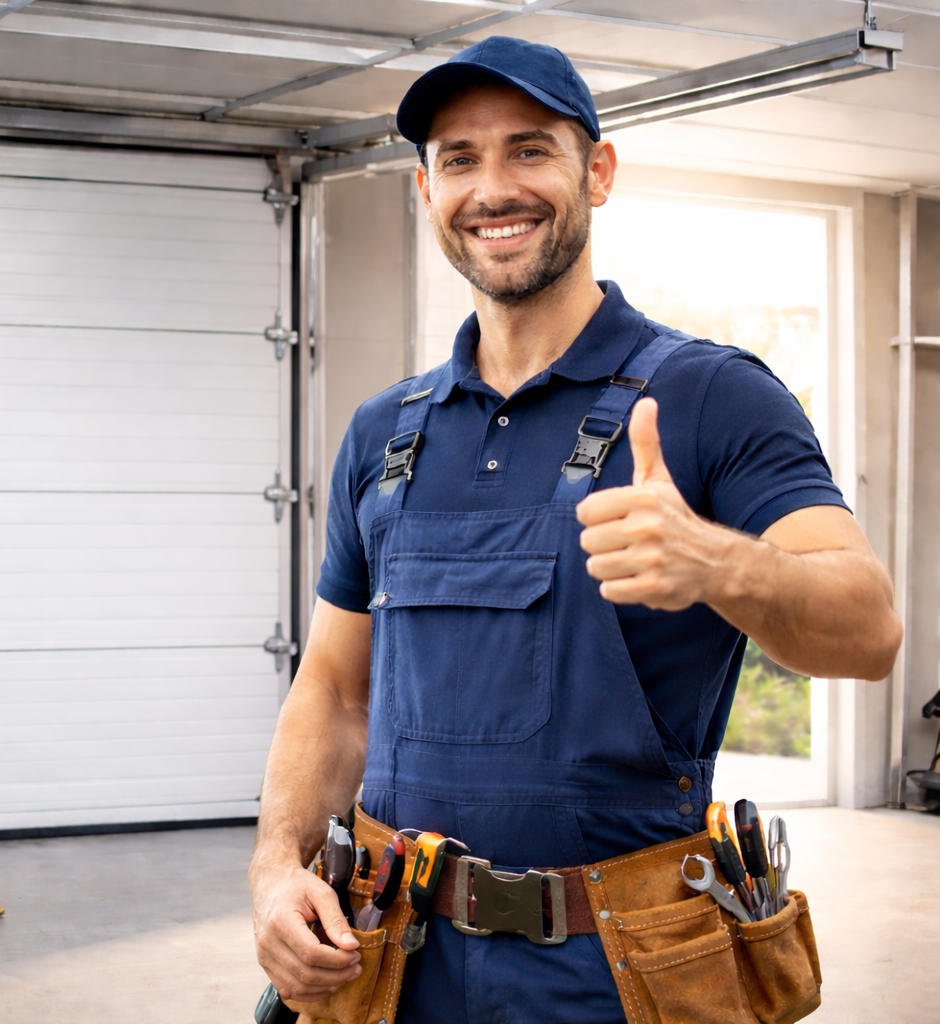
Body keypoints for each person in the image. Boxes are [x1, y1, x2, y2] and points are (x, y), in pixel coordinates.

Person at [248, 35, 902, 1024]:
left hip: (619, 977)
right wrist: (272, 869)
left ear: (596, 171)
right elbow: (336, 690)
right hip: (387, 966)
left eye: (528, 150)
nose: (492, 187)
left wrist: (716, 561)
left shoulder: (710, 396)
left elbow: (868, 627)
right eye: (458, 160)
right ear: (427, 190)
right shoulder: (386, 433)